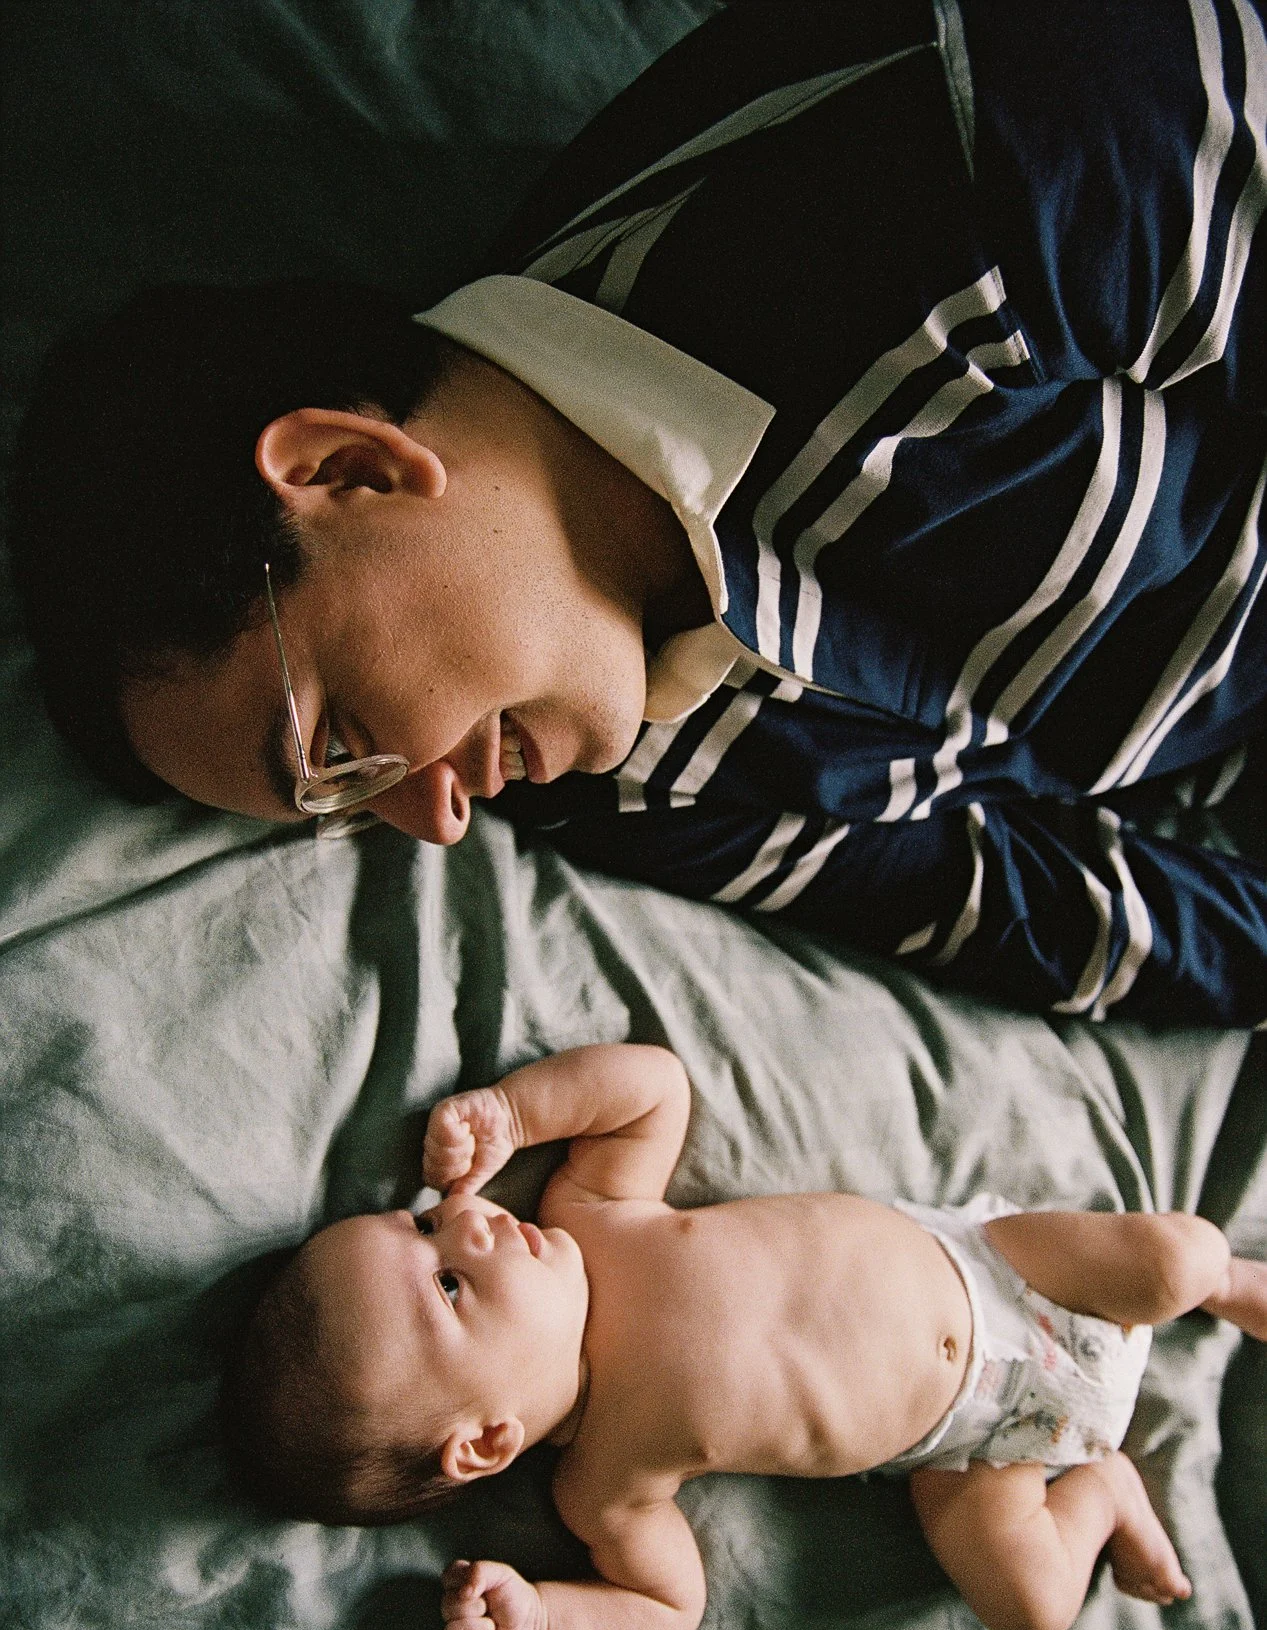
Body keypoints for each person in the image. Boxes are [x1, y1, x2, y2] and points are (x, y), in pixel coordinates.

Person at [12, 0, 1267, 1022]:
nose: (440, 821)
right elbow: (1014, 908)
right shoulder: (592, 776)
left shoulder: (940, 194)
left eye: (341, 751)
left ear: (353, 470)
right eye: (344, 809)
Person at [222, 1043, 1267, 1630]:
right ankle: (1108, 1495)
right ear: (487, 1437)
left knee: (1172, 1261)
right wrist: (542, 1622)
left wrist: (513, 1111)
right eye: (448, 1285)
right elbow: (668, 1612)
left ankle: (1226, 1284)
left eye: (420, 1224)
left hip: (1002, 1275)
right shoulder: (608, 1492)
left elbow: (652, 1089)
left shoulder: (592, 1211)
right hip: (970, 1445)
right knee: (1029, 1607)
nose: (467, 1222)